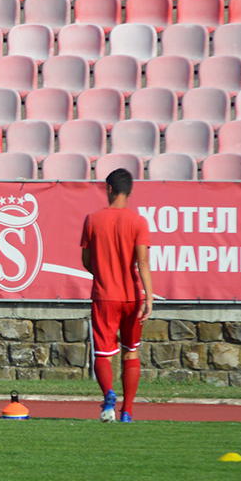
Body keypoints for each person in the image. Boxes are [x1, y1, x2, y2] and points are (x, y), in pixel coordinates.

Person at [81, 168, 153, 423]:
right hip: (132, 296)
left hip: (104, 296)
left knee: (103, 353)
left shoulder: (92, 219)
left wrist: (103, 273)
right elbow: (142, 262)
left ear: (109, 189)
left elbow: (86, 260)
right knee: (130, 352)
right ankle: (127, 412)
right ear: (130, 191)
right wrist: (149, 297)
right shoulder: (138, 222)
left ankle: (108, 394)